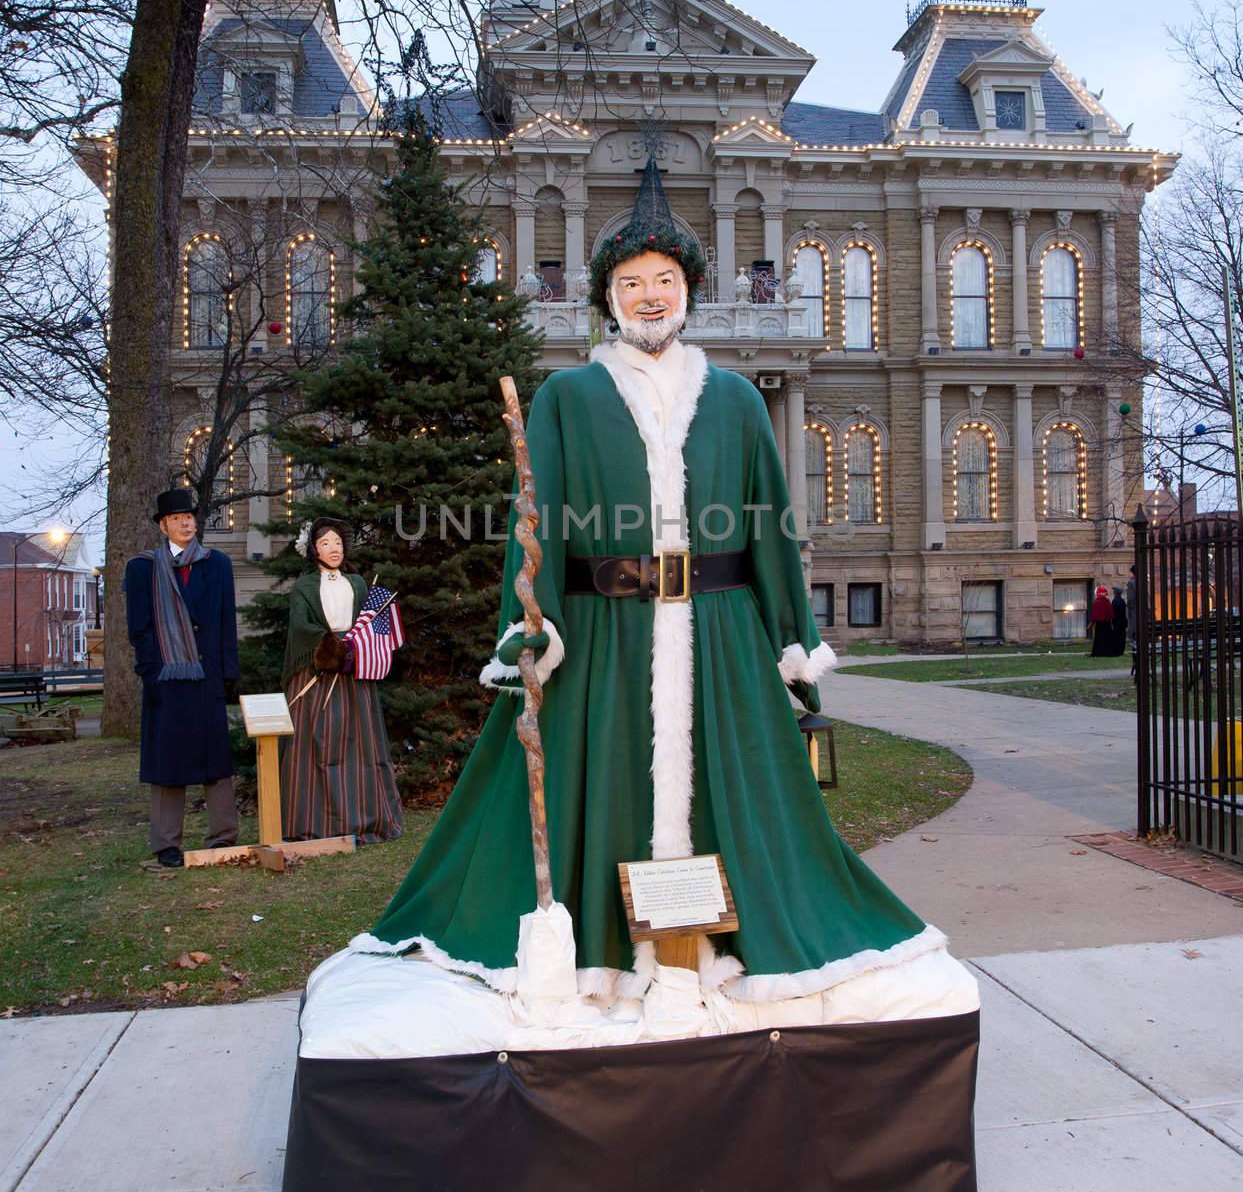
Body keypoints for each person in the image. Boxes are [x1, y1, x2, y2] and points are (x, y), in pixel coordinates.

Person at [354, 200, 970, 1025]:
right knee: (605, 782)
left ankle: (724, 943)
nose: (649, 295)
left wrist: (791, 635)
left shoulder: (739, 401)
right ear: (607, 299)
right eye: (631, 282)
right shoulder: (567, 397)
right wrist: (530, 624)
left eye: (665, 280)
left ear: (688, 291)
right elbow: (532, 523)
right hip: (606, 634)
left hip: (719, 632)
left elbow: (769, 524)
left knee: (735, 787)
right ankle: (608, 951)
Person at [124, 488, 240, 868]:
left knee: (215, 761)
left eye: (190, 516)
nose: (185, 522)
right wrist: (151, 673)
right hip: (166, 679)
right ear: (163, 525)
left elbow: (226, 622)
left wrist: (227, 674)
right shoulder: (142, 568)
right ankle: (166, 845)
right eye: (176, 518)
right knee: (167, 763)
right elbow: (139, 628)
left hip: (207, 677)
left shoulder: (217, 563)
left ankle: (223, 836)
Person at [280, 518, 403, 844]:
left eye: (337, 542)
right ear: (313, 550)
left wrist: (358, 651)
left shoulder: (358, 583)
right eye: (325, 543)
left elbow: (372, 624)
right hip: (319, 675)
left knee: (358, 744)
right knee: (317, 743)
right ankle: (315, 824)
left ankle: (363, 818)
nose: (333, 549)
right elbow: (299, 628)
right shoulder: (304, 586)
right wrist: (329, 650)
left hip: (354, 677)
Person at [1089, 584, 1114, 657]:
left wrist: (1092, 622)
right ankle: (1107, 652)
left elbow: (1094, 614)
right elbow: (1111, 614)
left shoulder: (1097, 602)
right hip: (1107, 623)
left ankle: (1098, 652)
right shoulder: (1107, 602)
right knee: (1107, 639)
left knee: (1099, 638)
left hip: (1099, 624)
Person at [1110, 585, 1128, 657]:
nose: (1113, 592)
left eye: (1114, 591)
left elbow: (1113, 612)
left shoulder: (1115, 601)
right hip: (1122, 622)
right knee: (1122, 636)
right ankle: (1121, 651)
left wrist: (1112, 620)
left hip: (1117, 622)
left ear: (1116, 593)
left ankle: (1116, 651)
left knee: (1117, 636)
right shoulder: (1122, 601)